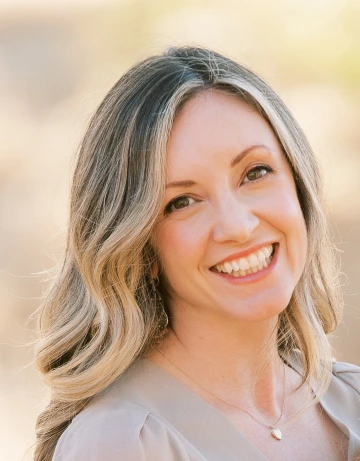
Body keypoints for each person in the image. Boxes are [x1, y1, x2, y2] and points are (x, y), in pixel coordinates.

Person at [34, 46, 360, 461]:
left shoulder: (353, 401)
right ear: (139, 248)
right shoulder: (120, 443)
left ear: (297, 183)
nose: (238, 227)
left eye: (255, 173)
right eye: (182, 202)